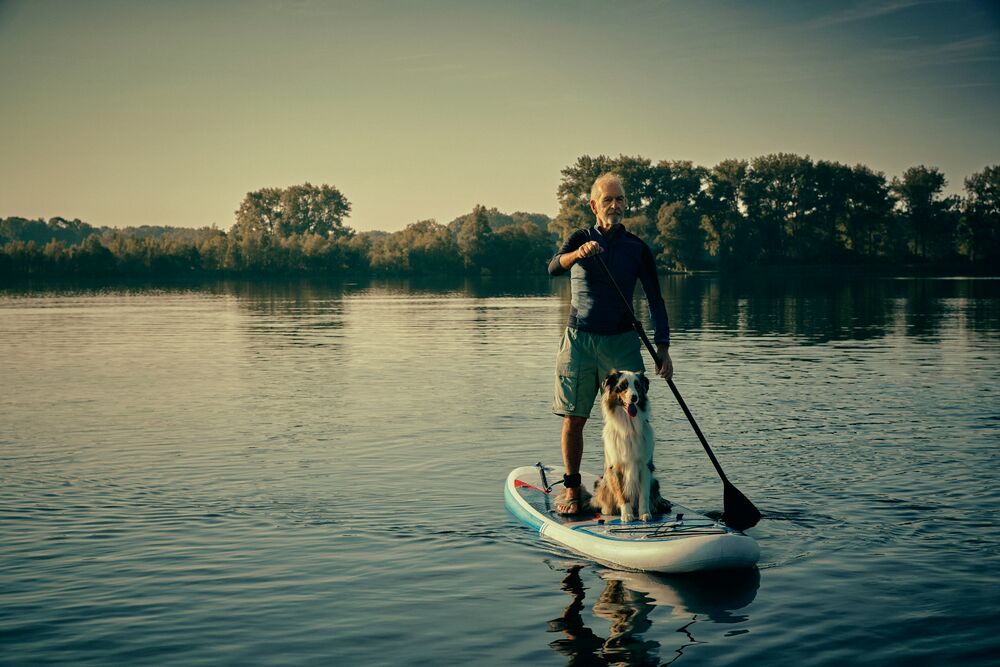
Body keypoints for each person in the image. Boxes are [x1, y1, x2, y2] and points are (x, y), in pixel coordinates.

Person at [547, 173, 673, 514]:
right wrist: (577, 254)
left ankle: (644, 494)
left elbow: (655, 298)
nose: (615, 206)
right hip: (580, 340)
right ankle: (574, 492)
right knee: (574, 417)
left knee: (634, 417)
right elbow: (553, 267)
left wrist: (663, 346)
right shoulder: (579, 238)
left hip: (622, 341)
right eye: (608, 200)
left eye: (620, 200)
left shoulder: (636, 248)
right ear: (594, 205)